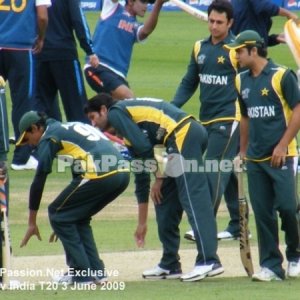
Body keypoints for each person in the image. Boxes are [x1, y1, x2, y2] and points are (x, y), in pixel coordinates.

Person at [85, 93, 224, 282]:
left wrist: (159, 177)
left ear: (103, 110)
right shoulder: (128, 132)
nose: (94, 124)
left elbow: (143, 148)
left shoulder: (116, 111)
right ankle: (170, 263)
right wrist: (142, 223)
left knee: (193, 198)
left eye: (93, 118)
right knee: (164, 199)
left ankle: (209, 261)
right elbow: (141, 178)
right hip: (178, 140)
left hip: (184, 133)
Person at [18, 111, 130, 284]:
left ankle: (81, 274)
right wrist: (68, 214)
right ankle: (97, 273)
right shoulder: (66, 127)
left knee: (56, 212)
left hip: (101, 172)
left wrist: (33, 222)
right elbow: (78, 170)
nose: (29, 144)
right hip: (122, 172)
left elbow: (39, 179)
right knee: (77, 217)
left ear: (36, 128)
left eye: (27, 138)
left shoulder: (49, 137)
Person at [224, 30, 300, 281]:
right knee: (264, 213)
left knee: (288, 208)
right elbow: (245, 117)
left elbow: (298, 110)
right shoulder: (240, 80)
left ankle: (296, 256)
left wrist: (282, 145)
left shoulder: (282, 76)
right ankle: (271, 266)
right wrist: (243, 151)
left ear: (253, 50)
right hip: (255, 159)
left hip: (282, 155)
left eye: (239, 51)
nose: (235, 56)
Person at [171, 0, 240, 241]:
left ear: (230, 23)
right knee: (227, 172)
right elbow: (189, 81)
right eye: (211, 21)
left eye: (219, 22)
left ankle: (203, 224)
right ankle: (238, 225)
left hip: (231, 119)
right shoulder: (199, 47)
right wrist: (171, 109)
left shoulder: (236, 50)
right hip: (207, 120)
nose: (213, 26)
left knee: (213, 167)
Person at [0, 0, 51, 171]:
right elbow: (43, 16)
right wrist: (41, 38)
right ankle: (21, 158)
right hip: (20, 49)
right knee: (22, 103)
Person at [84, 0, 166, 100]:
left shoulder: (135, 25)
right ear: (131, 1)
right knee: (129, 100)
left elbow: (145, 31)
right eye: (143, 1)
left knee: (116, 111)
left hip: (119, 76)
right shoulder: (112, 7)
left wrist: (158, 4)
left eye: (147, 3)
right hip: (99, 67)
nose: (146, 6)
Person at [34, 0, 100, 123]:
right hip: (64, 54)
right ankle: (81, 140)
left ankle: (47, 140)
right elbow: (78, 20)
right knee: (78, 107)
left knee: (43, 109)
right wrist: (89, 50)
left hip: (39, 54)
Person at [230, 0, 298, 46]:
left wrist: (276, 38)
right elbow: (265, 6)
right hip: (246, 52)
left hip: (247, 50)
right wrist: (289, 14)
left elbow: (258, 38)